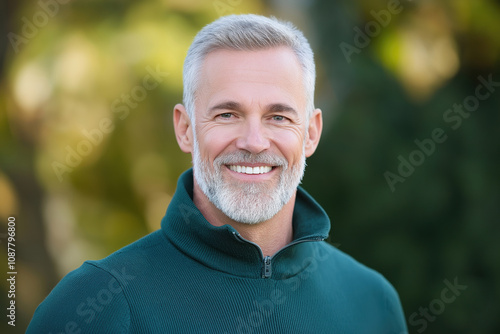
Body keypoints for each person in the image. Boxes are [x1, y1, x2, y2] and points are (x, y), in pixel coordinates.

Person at [28, 14, 408, 333]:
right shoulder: (97, 305)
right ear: (185, 128)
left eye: (278, 117)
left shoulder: (373, 303)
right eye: (228, 114)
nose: (255, 141)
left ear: (310, 133)